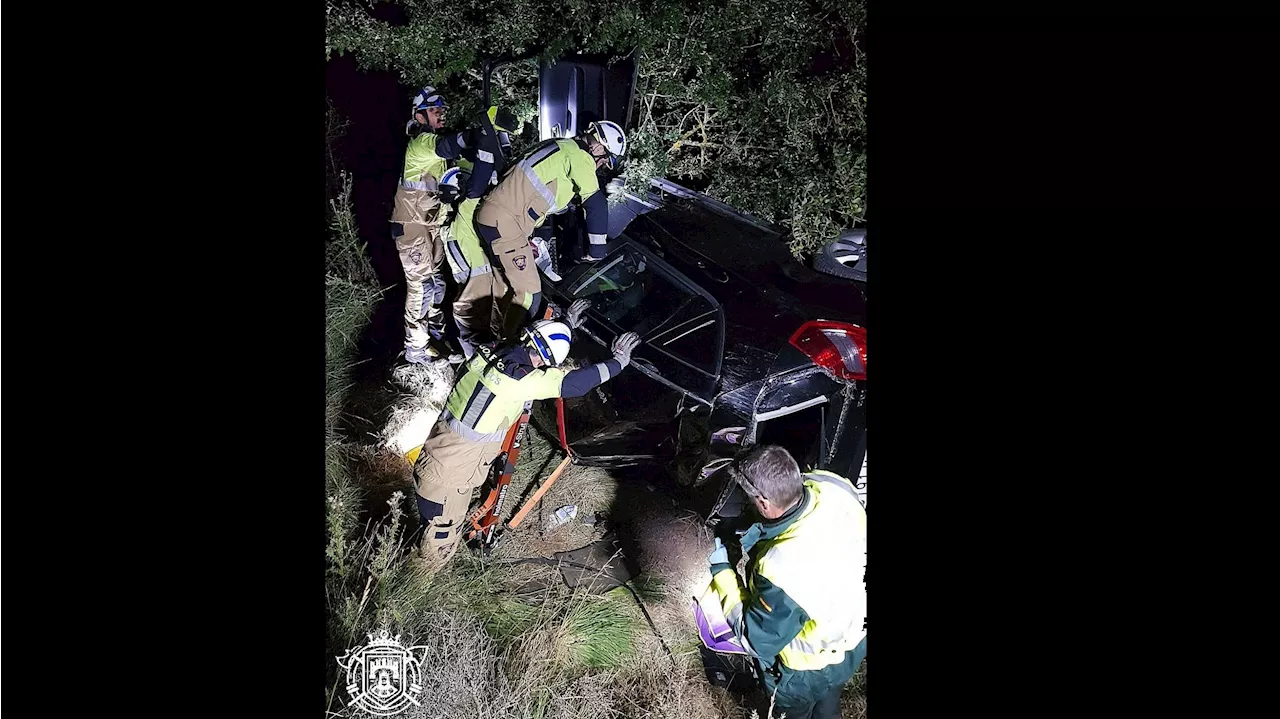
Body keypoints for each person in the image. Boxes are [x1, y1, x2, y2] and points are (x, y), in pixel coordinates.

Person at [411, 301, 642, 563]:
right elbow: (573, 384)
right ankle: (409, 592)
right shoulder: (516, 381)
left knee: (428, 528)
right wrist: (617, 362)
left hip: (436, 457)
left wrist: (564, 325)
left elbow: (535, 347)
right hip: (447, 480)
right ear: (543, 361)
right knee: (437, 548)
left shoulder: (490, 351)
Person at [705, 445, 867, 719]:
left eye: (750, 499)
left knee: (793, 712)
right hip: (853, 640)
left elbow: (755, 639)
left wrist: (722, 571)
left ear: (764, 503)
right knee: (829, 701)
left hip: (805, 670)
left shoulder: (783, 568)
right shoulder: (831, 485)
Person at [474, 120, 627, 342]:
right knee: (530, 294)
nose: (601, 165)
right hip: (505, 221)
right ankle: (507, 349)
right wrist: (597, 251)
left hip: (497, 218)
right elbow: (595, 204)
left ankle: (493, 338)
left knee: (505, 288)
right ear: (598, 147)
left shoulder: (560, 146)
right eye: (605, 160)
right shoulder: (580, 156)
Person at [391, 85, 460, 364]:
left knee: (438, 284)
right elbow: (449, 145)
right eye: (434, 111)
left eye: (442, 110)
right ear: (419, 116)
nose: (441, 115)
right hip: (413, 227)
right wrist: (475, 135)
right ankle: (416, 348)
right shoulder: (422, 144)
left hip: (432, 227)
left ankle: (436, 334)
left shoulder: (435, 147)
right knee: (422, 287)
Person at [435, 168, 506, 360]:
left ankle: (470, 367)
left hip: (467, 301)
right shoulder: (465, 216)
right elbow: (476, 191)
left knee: (473, 346)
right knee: (483, 347)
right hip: (477, 298)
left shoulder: (449, 226)